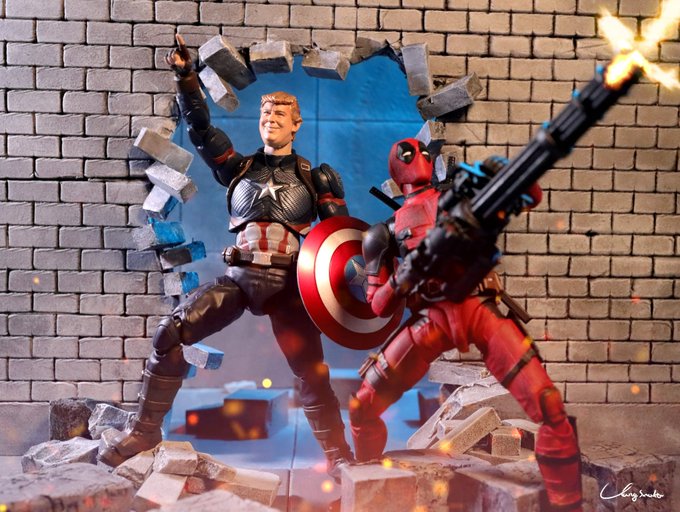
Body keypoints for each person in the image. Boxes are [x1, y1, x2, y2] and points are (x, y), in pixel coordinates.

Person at [100, 35, 354, 479]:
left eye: (280, 115)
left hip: (289, 286)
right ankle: (144, 431)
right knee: (169, 334)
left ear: (296, 125)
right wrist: (185, 78)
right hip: (238, 279)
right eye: (265, 114)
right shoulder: (238, 168)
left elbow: (340, 243)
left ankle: (338, 455)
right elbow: (201, 130)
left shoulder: (316, 178)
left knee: (312, 373)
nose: (270, 120)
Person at [349, 138, 583, 511]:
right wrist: (403, 276)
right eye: (406, 152)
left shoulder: (460, 197)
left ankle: (567, 503)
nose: (414, 155)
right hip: (431, 320)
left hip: (478, 308)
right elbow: (378, 305)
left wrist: (506, 172)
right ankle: (368, 487)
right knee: (362, 407)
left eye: (419, 151)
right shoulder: (384, 233)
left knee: (549, 405)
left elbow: (531, 195)